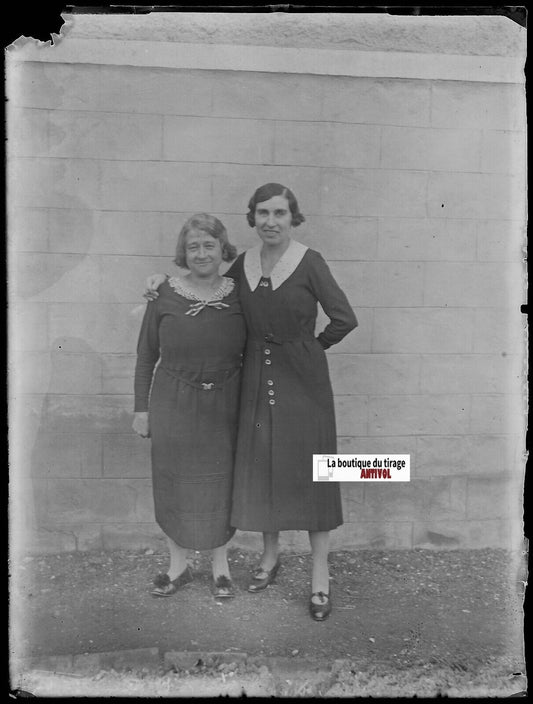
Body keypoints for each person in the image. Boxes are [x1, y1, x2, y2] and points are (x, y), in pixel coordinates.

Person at [145, 184, 357, 620]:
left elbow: (344, 318)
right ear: (253, 218)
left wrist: (308, 349)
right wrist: (157, 282)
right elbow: (206, 290)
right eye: (263, 213)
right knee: (262, 471)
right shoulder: (244, 264)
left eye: (280, 213)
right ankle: (269, 559)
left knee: (313, 473)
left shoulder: (309, 261)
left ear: (292, 217)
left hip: (303, 382)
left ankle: (320, 580)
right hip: (257, 382)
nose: (271, 221)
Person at [133, 213, 246, 600]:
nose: (201, 253)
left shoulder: (238, 293)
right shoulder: (164, 294)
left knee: (220, 484)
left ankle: (220, 568)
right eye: (193, 246)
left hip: (225, 403)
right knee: (174, 484)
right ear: (184, 252)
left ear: (222, 249)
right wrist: (141, 410)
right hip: (173, 402)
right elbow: (146, 355)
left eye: (209, 245)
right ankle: (177, 566)